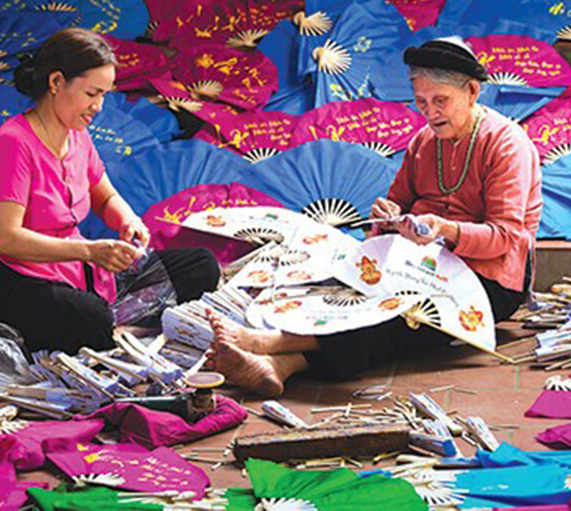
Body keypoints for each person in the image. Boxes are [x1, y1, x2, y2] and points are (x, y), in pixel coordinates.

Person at [208, 37, 543, 396]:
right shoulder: (423, 142)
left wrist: (445, 229)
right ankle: (282, 365)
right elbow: (394, 204)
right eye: (421, 102)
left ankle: (273, 343)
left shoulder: (506, 143)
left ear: (473, 91)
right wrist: (387, 215)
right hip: (424, 263)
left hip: (490, 277)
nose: (430, 113)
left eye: (440, 101)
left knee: (407, 316)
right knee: (356, 294)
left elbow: (506, 236)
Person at [0, 28, 220, 353]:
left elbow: (106, 196)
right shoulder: (14, 142)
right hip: (16, 276)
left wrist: (129, 222)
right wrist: (89, 252)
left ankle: (111, 323)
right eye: (91, 94)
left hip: (74, 268)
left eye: (104, 95)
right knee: (89, 317)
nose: (98, 106)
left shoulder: (77, 134)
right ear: (56, 82)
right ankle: (111, 323)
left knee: (202, 265)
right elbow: (5, 240)